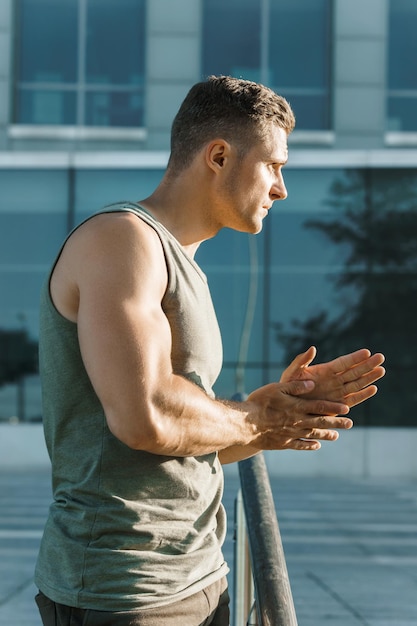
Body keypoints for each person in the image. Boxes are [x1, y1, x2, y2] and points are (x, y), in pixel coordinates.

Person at [34, 75, 385, 626]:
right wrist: (255, 415)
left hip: (199, 575)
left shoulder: (184, 265)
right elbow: (144, 418)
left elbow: (176, 451)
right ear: (218, 156)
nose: (281, 189)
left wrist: (273, 421)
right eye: (275, 165)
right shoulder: (124, 240)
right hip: (126, 588)